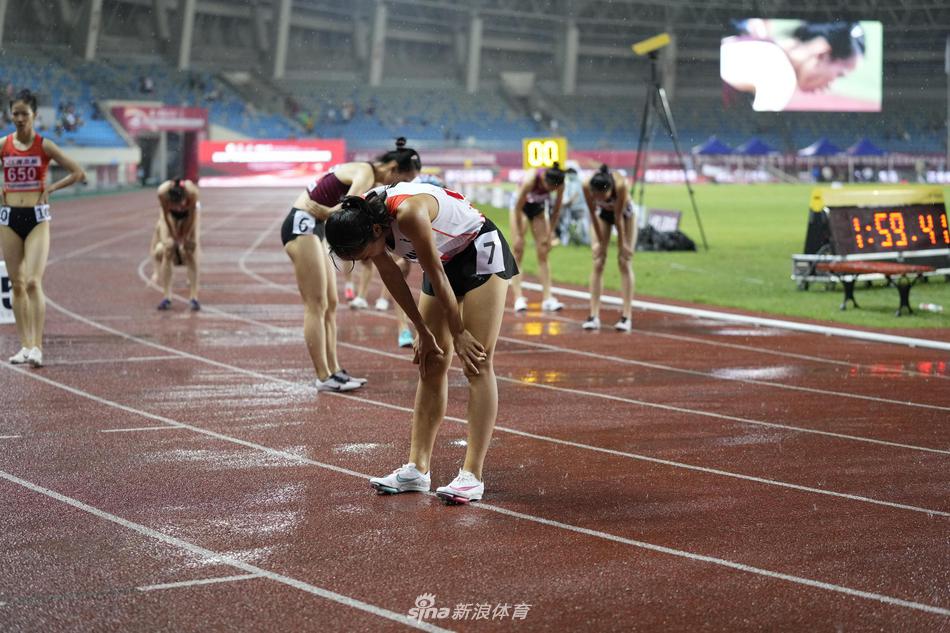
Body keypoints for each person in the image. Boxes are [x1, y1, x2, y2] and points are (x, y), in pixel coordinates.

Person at [325, 181, 518, 505]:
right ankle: (417, 469)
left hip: (479, 251)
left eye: (364, 255)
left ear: (376, 230)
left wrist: (458, 332)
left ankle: (472, 475)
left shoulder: (410, 213)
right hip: (443, 258)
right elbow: (393, 277)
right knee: (430, 361)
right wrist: (422, 332)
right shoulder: (358, 222)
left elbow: (437, 276)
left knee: (477, 362)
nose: (366, 260)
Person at [280, 137, 420, 392]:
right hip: (302, 224)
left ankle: (334, 370)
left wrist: (326, 213)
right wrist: (327, 212)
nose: (399, 185)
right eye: (403, 179)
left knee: (331, 304)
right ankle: (323, 375)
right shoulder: (365, 172)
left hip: (315, 227)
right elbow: (349, 210)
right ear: (392, 169)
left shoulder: (368, 174)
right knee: (316, 305)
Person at [1, 89, 85, 367]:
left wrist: (51, 187)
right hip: (9, 218)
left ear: (34, 115)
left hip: (37, 219)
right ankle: (24, 346)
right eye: (16, 114)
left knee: (34, 282)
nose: (20, 119)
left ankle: (37, 346)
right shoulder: (3, 144)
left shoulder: (44, 145)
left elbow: (77, 172)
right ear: (10, 115)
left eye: (25, 113)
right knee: (17, 284)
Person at [721, 20, 865, 112]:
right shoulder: (783, 79)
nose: (830, 86)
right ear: (822, 52)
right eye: (839, 74)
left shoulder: (762, 42)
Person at [582, 165, 636, 332]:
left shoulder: (621, 186)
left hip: (625, 216)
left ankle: (626, 316)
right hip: (603, 217)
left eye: (602, 196)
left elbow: (618, 219)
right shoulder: (586, 185)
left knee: (624, 262)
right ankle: (593, 315)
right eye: (596, 196)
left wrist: (623, 246)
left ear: (610, 189)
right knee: (598, 261)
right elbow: (592, 214)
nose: (598, 198)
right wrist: (599, 244)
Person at [509, 164, 565, 313]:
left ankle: (548, 298)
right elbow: (517, 208)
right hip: (520, 207)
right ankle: (518, 298)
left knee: (543, 252)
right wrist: (520, 235)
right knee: (518, 250)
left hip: (538, 208)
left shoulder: (559, 182)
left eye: (554, 189)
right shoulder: (530, 180)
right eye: (549, 188)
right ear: (544, 180)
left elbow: (556, 210)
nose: (551, 191)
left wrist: (550, 233)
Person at [152, 178, 201, 311]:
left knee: (190, 249)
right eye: (175, 206)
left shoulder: (192, 193)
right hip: (169, 217)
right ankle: (166, 297)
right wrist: (173, 236)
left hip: (190, 215)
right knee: (167, 249)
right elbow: (166, 216)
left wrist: (185, 236)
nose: (178, 208)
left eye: (180, 205)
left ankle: (194, 297)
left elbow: (192, 218)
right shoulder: (162, 193)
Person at [558, 166, 591, 246]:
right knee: (567, 224)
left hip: (580, 207)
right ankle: (567, 241)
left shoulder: (579, 182)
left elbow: (575, 195)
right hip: (571, 208)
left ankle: (585, 241)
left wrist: (566, 203)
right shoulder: (569, 182)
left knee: (583, 224)